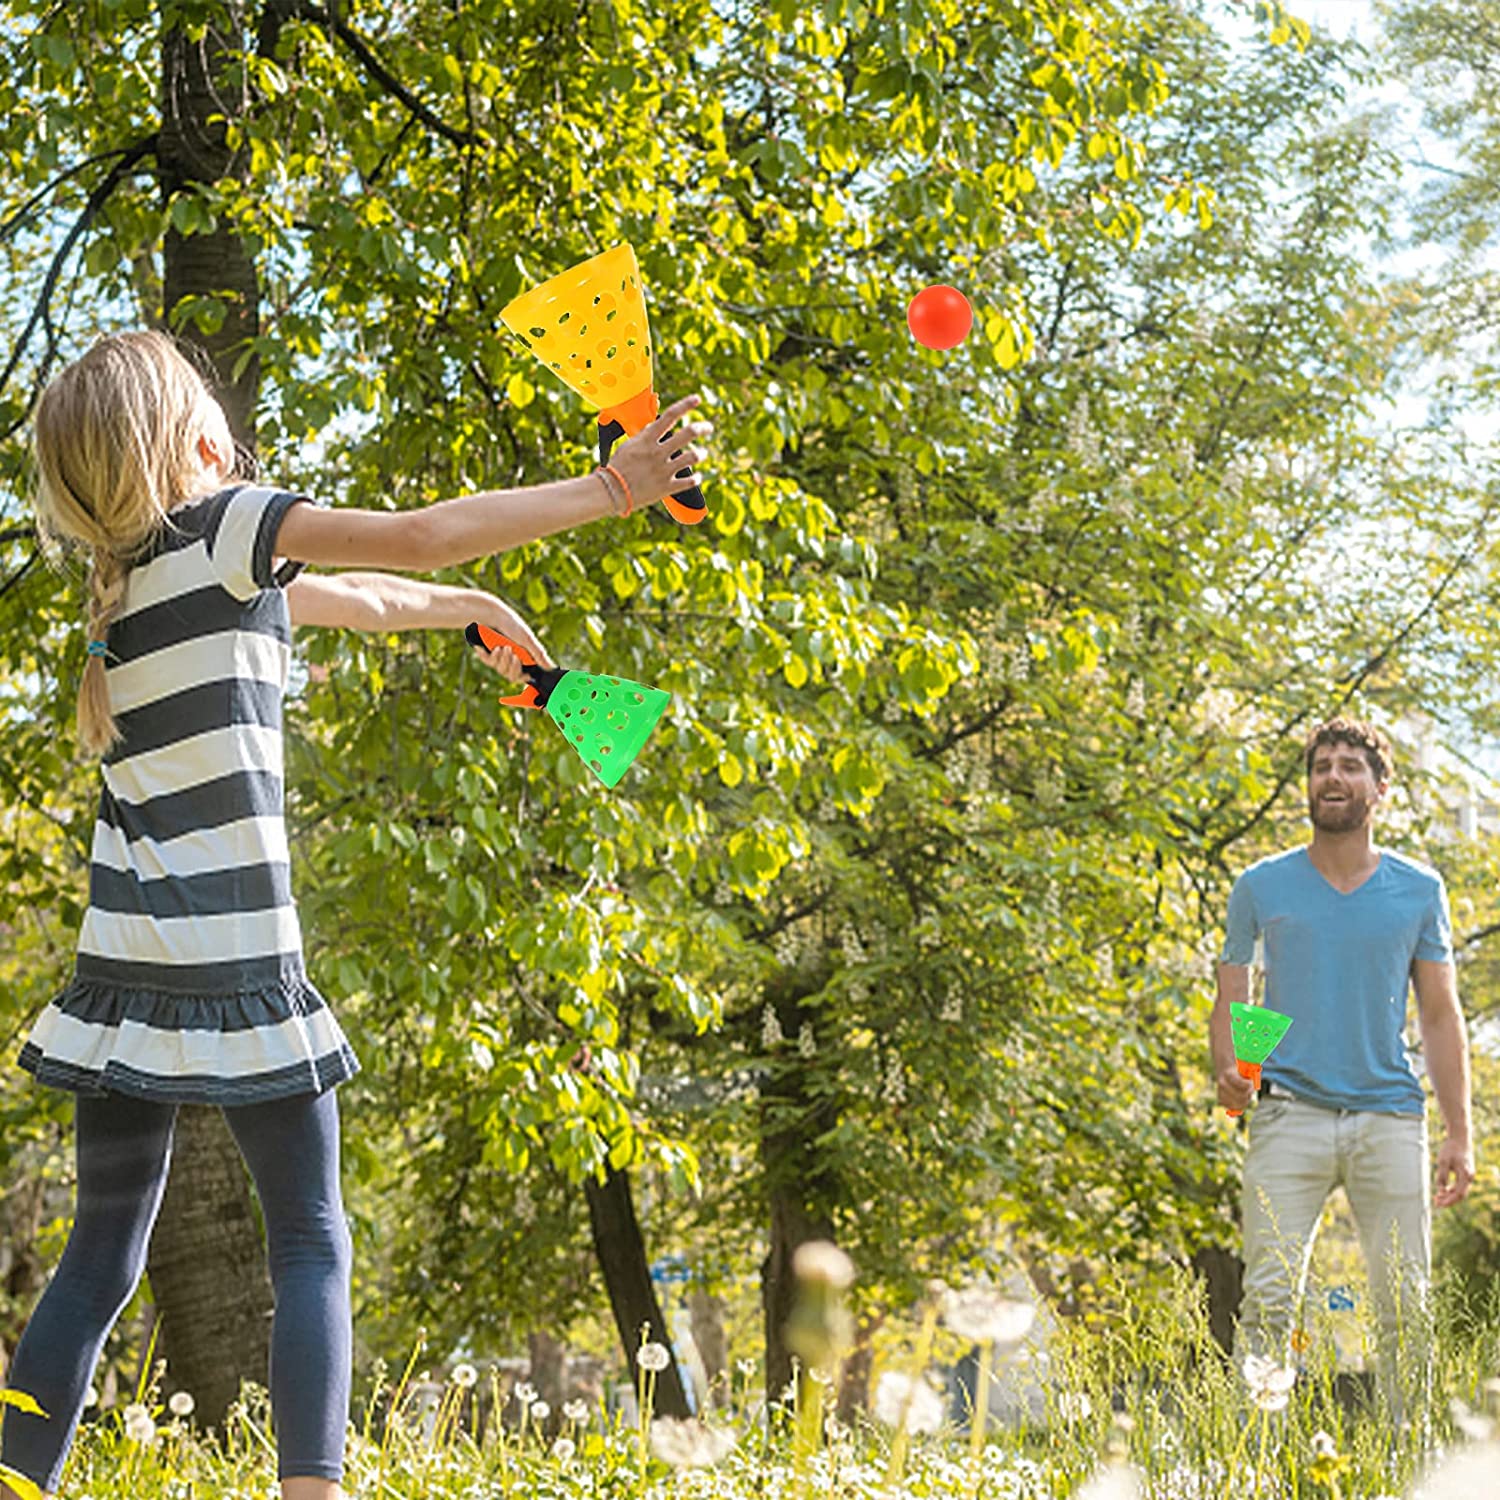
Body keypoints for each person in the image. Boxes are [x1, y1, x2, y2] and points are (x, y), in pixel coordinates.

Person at [0, 329, 714, 1500]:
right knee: (310, 1240)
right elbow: (416, 534)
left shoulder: (131, 586)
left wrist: (471, 606)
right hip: (239, 965)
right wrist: (613, 488)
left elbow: (380, 591)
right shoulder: (226, 528)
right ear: (189, 442)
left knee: (98, 1259)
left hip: (124, 974)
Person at [1211, 716, 1475, 1430]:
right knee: (1269, 1302)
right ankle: (1256, 1464)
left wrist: (1459, 1132)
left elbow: (1440, 1015)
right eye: (1322, 765)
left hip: (1391, 1118)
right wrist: (1233, 1071)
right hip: (1287, 1115)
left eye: (1351, 766)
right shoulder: (1261, 886)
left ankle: (1409, 1460)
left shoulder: (1418, 890)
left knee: (1405, 1305)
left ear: (1380, 789)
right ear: (1309, 785)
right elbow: (1238, 995)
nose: (1333, 776)